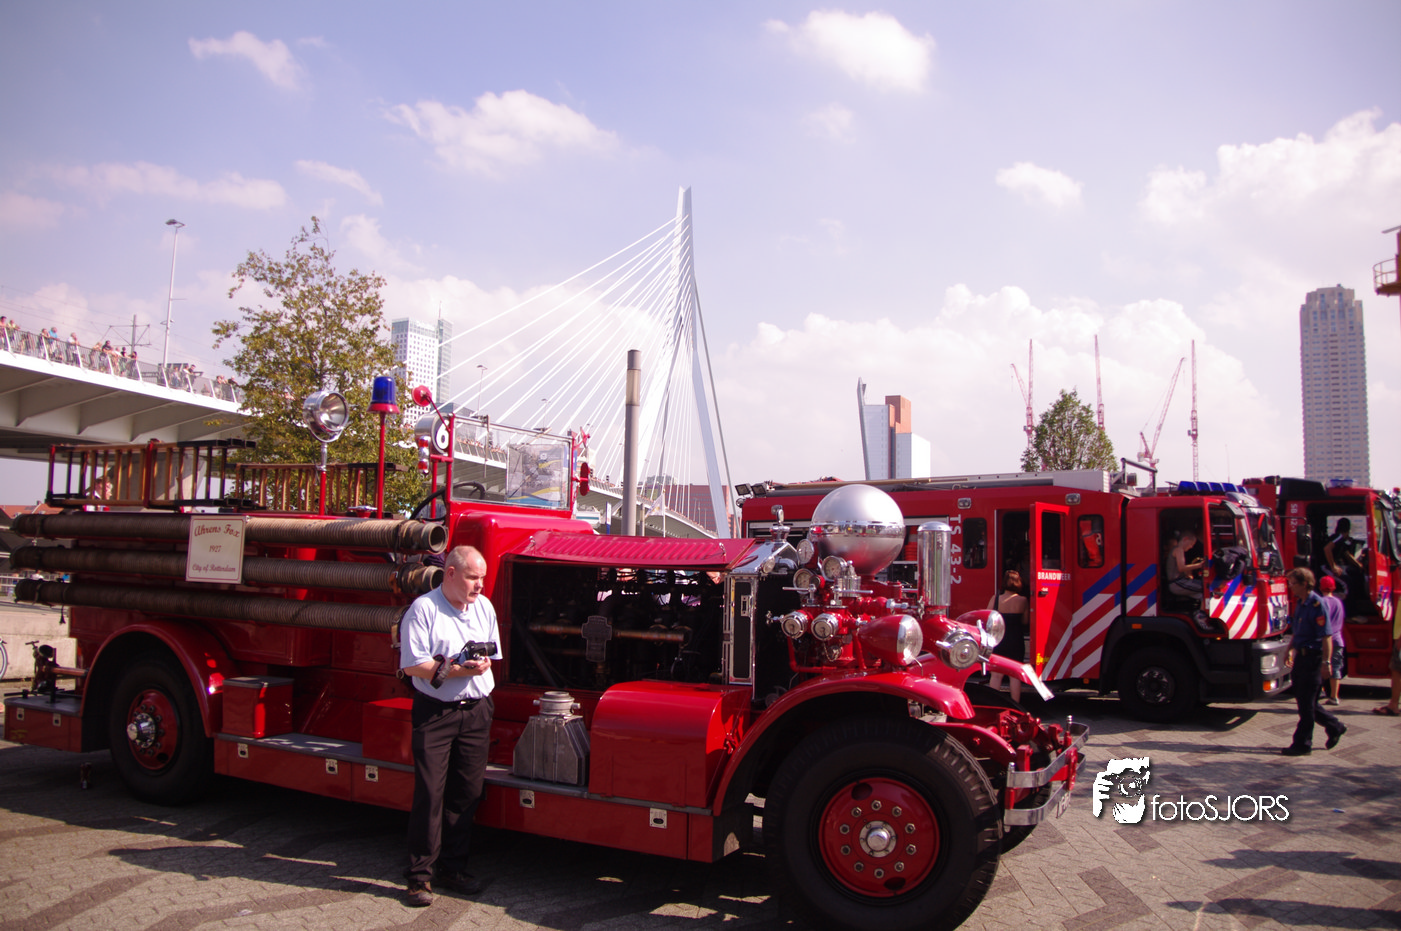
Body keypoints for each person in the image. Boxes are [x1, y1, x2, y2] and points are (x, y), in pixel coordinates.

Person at [399, 545, 500, 907]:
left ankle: (453, 869)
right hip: (436, 714)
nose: (480, 585)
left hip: (476, 711)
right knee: (430, 794)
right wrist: (458, 670)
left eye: (482, 578)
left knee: (466, 793)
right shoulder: (423, 609)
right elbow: (413, 665)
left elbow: (491, 655)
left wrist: (481, 666)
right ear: (451, 574)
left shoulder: (484, 607)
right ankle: (419, 877)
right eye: (473, 578)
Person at [1281, 567, 1345, 756]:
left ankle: (1302, 743)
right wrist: (1289, 649)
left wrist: (1326, 663)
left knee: (1307, 705)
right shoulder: (1300, 603)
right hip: (1301, 657)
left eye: (1293, 583)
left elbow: (1326, 636)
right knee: (1306, 701)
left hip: (1313, 658)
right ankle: (1335, 726)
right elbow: (1297, 631)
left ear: (1304, 584)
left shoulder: (1317, 604)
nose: (1290, 586)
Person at [987, 569, 1029, 701]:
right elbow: (1025, 621)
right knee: (1015, 675)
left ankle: (994, 703)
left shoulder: (996, 599)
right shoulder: (1023, 600)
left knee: (996, 675)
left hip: (999, 640)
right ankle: (1015, 705)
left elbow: (988, 618)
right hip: (1015, 640)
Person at [1318, 575, 1345, 705]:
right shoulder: (1338, 602)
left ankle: (1320, 691)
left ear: (1320, 587)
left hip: (1324, 640)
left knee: (1320, 665)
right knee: (1336, 667)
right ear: (1333, 587)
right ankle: (1334, 696)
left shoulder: (1321, 602)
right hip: (1338, 639)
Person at [1322, 517, 1361, 599]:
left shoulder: (1343, 540)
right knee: (1348, 583)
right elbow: (1327, 548)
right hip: (1326, 566)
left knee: (1354, 572)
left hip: (1338, 565)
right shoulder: (1338, 537)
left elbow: (1346, 554)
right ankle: (1346, 602)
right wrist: (1333, 566)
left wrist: (1359, 565)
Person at [1165, 530, 1204, 598]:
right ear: (1185, 539)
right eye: (1191, 544)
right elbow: (1181, 568)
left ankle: (1203, 604)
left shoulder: (1178, 550)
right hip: (1177, 583)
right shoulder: (1178, 549)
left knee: (1202, 595)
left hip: (1179, 582)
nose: (1191, 547)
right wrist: (1199, 565)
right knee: (1205, 586)